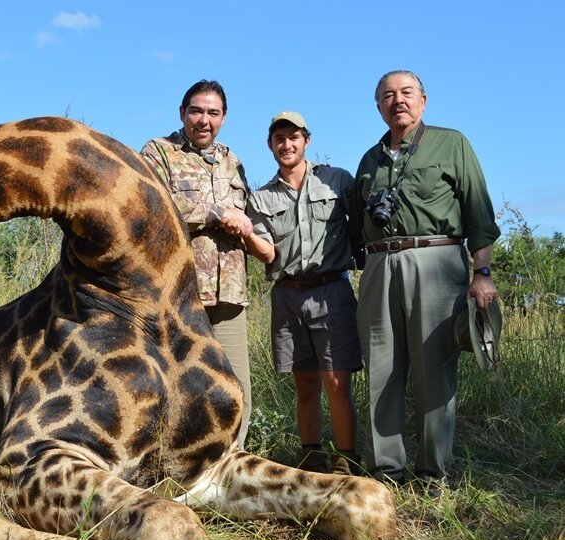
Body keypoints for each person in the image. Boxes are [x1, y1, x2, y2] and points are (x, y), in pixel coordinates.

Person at [351, 70, 500, 493]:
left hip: (437, 260)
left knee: (435, 369)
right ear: (377, 106)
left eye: (406, 93)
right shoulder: (369, 159)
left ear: (424, 100)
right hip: (380, 266)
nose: (398, 101)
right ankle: (386, 472)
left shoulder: (452, 143)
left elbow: (479, 215)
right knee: (381, 370)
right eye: (388, 95)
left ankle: (433, 473)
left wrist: (482, 273)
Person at [141, 80, 272, 448]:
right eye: (196, 111)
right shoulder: (159, 152)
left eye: (213, 113)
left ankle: (233, 462)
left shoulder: (233, 161)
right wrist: (217, 213)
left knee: (235, 386)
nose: (204, 120)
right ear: (182, 113)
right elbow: (153, 207)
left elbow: (247, 217)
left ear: (224, 118)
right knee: (175, 383)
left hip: (229, 295)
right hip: (178, 293)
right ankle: (173, 467)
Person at [247, 112, 361, 475]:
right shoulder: (261, 198)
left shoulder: (337, 180)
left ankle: (346, 460)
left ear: (306, 140)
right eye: (279, 138)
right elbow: (266, 251)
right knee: (306, 381)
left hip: (332, 290)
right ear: (270, 145)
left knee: (337, 381)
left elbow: (362, 225)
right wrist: (241, 230)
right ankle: (311, 457)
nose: (287, 144)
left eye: (293, 137)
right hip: (288, 294)